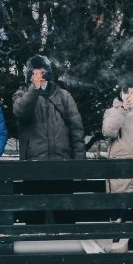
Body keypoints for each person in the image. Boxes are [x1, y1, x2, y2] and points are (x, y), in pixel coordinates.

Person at [12, 55, 84, 224]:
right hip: (33, 166)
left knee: (65, 216)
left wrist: (79, 162)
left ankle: (67, 246)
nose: (39, 75)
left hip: (62, 165)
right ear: (29, 75)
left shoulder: (64, 96)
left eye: (42, 72)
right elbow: (21, 113)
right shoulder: (21, 94)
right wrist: (34, 89)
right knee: (34, 217)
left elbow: (76, 129)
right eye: (35, 72)